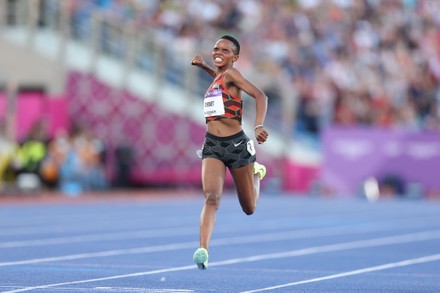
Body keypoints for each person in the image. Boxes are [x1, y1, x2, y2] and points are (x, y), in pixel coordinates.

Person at [190, 35, 269, 270]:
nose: (218, 52)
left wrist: (258, 125)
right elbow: (219, 79)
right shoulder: (220, 77)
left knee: (249, 208)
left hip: (236, 146)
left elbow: (261, 95)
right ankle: (203, 250)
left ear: (234, 58)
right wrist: (204, 65)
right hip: (212, 145)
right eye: (216, 48)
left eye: (225, 50)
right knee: (211, 197)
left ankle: (256, 173)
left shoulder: (233, 75)